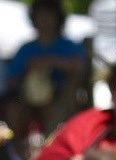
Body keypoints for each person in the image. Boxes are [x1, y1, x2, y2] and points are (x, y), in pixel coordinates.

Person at [6, 0, 87, 133]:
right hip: (29, 100)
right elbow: (11, 79)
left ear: (58, 18)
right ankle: (17, 150)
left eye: (49, 14)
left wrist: (51, 62)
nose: (44, 19)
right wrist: (30, 73)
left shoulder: (69, 46)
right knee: (13, 109)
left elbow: (79, 67)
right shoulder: (26, 49)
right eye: (40, 14)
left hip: (61, 98)